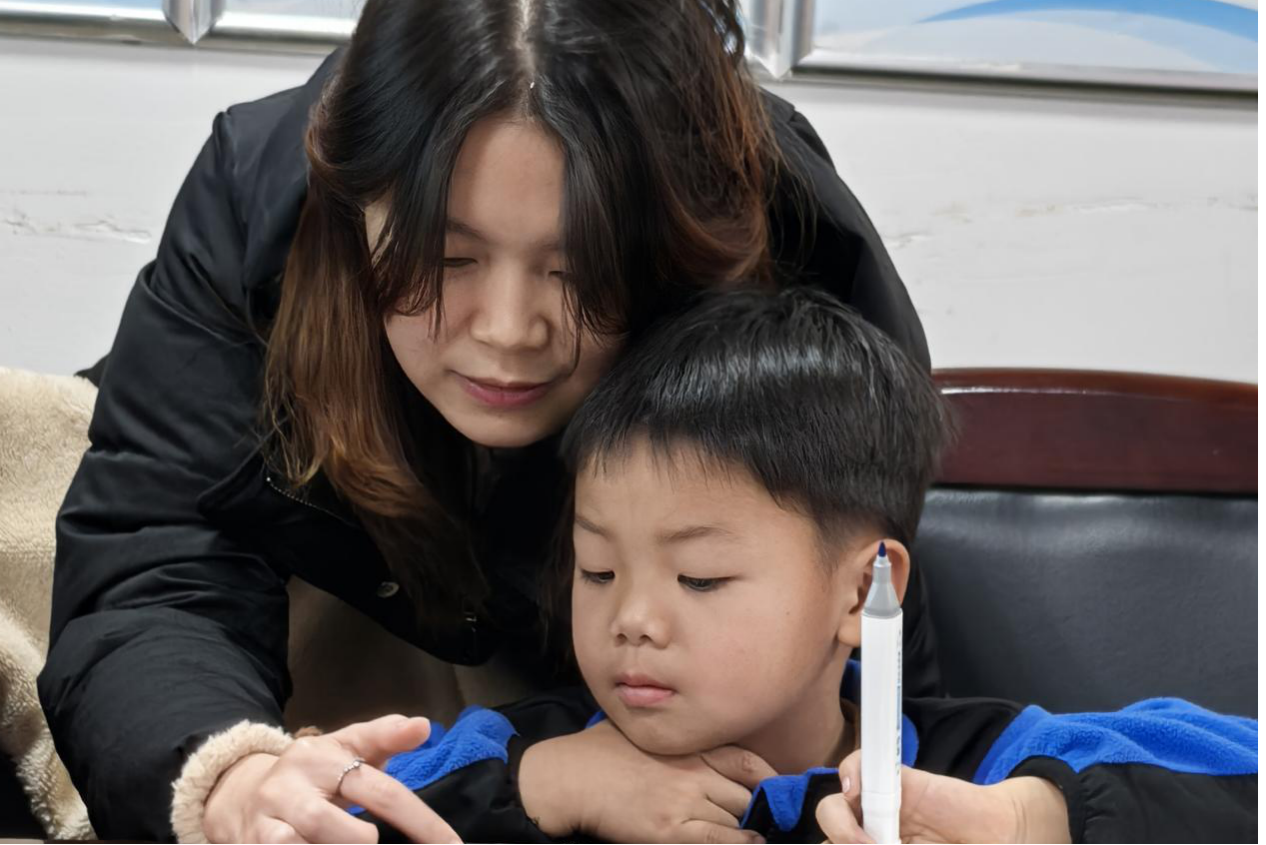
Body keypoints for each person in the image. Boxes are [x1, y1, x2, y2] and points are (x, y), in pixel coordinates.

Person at [37, 1, 944, 842]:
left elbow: (857, 607)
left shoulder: (779, 224)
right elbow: (156, 565)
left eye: (579, 266)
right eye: (447, 257)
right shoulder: (263, 196)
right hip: (350, 621)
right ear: (352, 208)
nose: (508, 332)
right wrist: (234, 779)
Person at [342, 287, 1259, 844]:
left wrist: (1035, 819)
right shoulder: (520, 751)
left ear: (863, 590)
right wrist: (535, 789)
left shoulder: (990, 762)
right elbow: (310, 811)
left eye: (700, 578)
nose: (633, 620)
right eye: (597, 570)